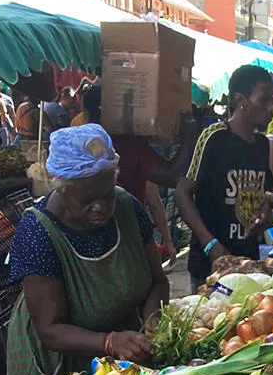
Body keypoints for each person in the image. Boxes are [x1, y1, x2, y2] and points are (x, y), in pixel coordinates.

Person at [4, 124, 170, 375]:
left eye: (107, 195)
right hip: (61, 361)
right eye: (87, 200)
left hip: (121, 350)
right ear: (61, 189)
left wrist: (153, 320)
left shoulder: (128, 208)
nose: (101, 207)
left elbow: (157, 280)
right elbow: (50, 329)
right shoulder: (38, 233)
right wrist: (109, 341)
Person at [175, 65, 273, 293]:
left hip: (248, 260)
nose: (271, 108)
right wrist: (210, 244)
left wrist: (265, 212)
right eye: (264, 100)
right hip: (211, 263)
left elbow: (261, 193)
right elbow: (183, 192)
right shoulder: (214, 137)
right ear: (241, 100)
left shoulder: (262, 145)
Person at [76, 85, 195, 264]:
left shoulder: (76, 143)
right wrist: (189, 136)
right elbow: (170, 178)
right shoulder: (128, 144)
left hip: (84, 245)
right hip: (127, 241)